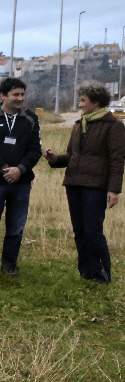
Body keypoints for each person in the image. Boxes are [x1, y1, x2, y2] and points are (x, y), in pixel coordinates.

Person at [44, 81, 125, 283]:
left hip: (95, 187)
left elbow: (117, 160)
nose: (79, 104)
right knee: (79, 231)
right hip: (74, 184)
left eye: (83, 100)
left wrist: (114, 190)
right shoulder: (80, 125)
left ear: (96, 102)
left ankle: (102, 274)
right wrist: (54, 159)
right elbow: (72, 156)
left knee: (93, 232)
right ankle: (86, 272)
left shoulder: (114, 126)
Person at [0, 78, 42, 284]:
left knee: (15, 229)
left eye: (22, 94)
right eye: (16, 95)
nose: (20, 98)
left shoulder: (30, 118)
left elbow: (35, 149)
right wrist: (4, 169)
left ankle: (9, 266)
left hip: (21, 183)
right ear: (3, 96)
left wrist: (20, 169)